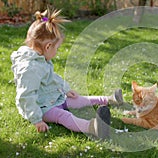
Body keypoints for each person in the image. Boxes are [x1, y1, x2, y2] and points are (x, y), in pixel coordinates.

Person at [10, 8, 123, 139]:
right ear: (48, 46)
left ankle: (108, 99)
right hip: (43, 108)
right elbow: (26, 96)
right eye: (56, 48)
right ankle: (93, 127)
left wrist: (66, 89)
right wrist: (37, 120)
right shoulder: (30, 69)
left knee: (77, 100)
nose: (56, 52)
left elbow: (52, 78)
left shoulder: (40, 59)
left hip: (53, 98)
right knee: (64, 116)